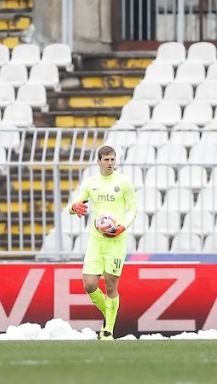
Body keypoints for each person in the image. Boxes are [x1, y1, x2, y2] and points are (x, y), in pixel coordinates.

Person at [67, 145, 138, 340]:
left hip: (116, 240)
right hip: (96, 241)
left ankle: (108, 330)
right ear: (98, 161)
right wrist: (75, 208)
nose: (110, 163)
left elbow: (133, 209)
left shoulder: (124, 182)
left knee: (110, 286)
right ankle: (109, 314)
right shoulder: (91, 183)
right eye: (106, 160)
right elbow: (75, 205)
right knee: (89, 284)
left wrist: (121, 227)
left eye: (112, 159)